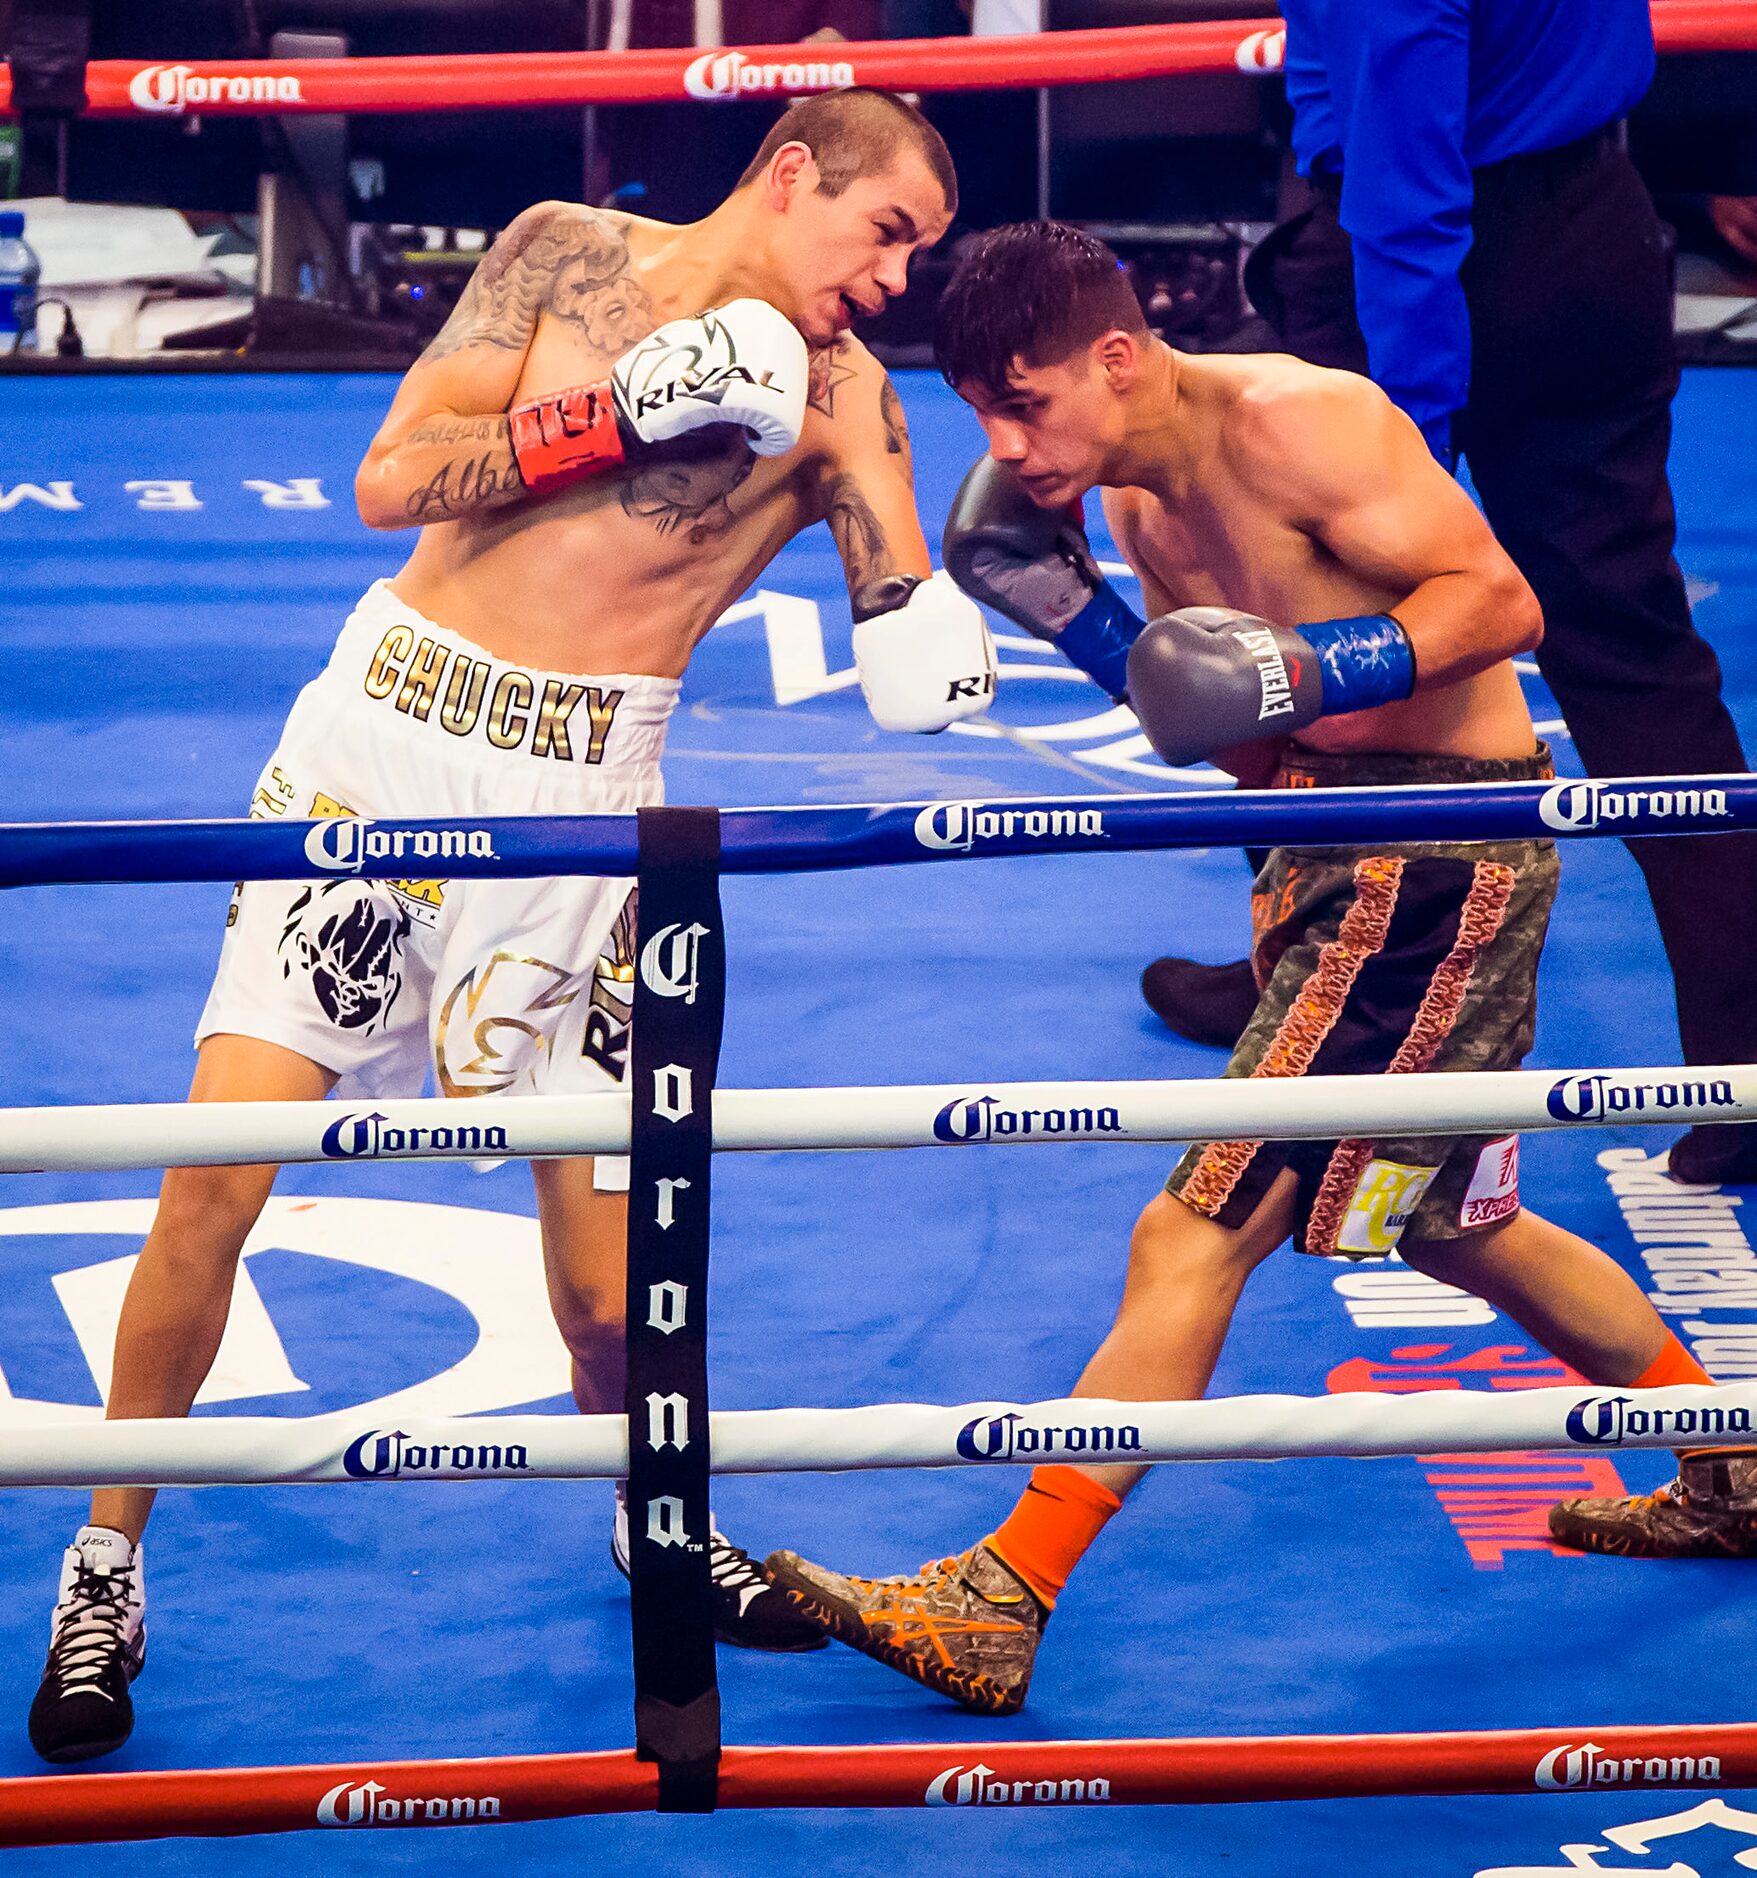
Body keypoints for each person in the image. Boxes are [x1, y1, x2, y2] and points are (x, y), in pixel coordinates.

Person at [27, 87, 996, 1765]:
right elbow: (390, 479)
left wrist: (923, 609)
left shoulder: (845, 405)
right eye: (887, 230)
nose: (898, 279)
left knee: (615, 1297)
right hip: (377, 752)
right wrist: (612, 416)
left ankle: (652, 1522)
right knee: (213, 1182)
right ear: (790, 176)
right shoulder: (562, 260)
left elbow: (902, 623)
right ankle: (103, 1561)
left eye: (919, 249)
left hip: (582, 815)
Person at [764, 222, 1752, 1720]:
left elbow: (1498, 605)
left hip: (1428, 865)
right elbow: (1239, 735)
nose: (1005, 444)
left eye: (1023, 403)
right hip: (1323, 866)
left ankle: (1002, 1589)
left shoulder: (1305, 420)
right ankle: (1731, 1457)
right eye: (981, 413)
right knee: (1453, 1221)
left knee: (1196, 1226)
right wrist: (1091, 625)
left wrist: (1306, 669)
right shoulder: (1145, 518)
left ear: (1116, 356)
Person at [1138, 0, 1757, 1188]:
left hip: (1435, 256)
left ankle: (1314, 992)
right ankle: (1743, 1057)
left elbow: (1408, 165)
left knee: (1326, 633)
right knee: (1633, 651)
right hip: (1588, 225)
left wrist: (1395, 450)